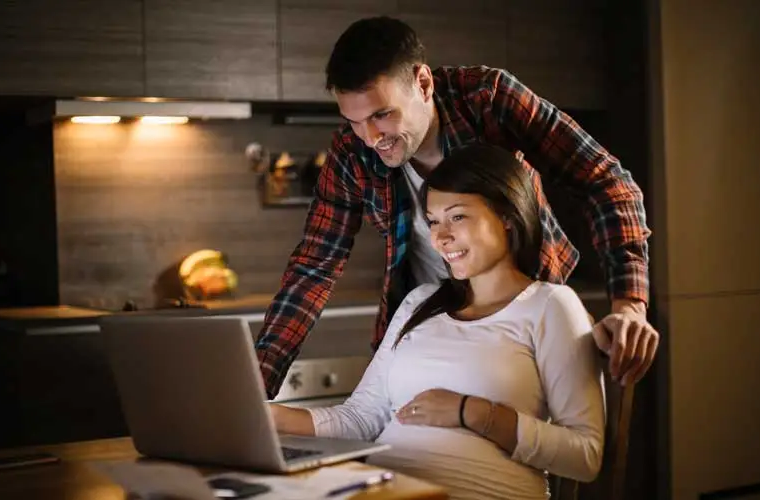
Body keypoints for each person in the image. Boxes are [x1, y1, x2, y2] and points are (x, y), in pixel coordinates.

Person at [255, 16, 659, 399]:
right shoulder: (351, 152)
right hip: (427, 325)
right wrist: (261, 377)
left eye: (383, 114)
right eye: (355, 121)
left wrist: (629, 305)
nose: (371, 137)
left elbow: (607, 180)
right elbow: (314, 265)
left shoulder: (488, 100)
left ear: (423, 83)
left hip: (524, 318)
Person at [270, 144, 606, 500]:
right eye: (433, 221)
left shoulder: (550, 305)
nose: (440, 237)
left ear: (507, 216)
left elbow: (585, 456)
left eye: (458, 217)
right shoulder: (420, 302)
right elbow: (359, 417)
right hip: (384, 491)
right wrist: (267, 418)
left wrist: (473, 413)